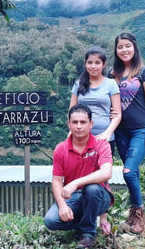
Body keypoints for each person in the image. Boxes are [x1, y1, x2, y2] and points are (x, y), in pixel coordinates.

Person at [44, 104, 114, 248]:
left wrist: (76, 182)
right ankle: (84, 221)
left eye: (83, 122)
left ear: (91, 124)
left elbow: (107, 172)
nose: (79, 126)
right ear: (68, 124)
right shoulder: (61, 149)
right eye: (75, 122)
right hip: (74, 197)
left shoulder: (101, 145)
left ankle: (88, 234)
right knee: (51, 221)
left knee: (92, 189)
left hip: (100, 196)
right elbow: (57, 181)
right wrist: (62, 206)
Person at [108, 32, 145, 234]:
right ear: (116, 50)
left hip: (140, 129)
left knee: (128, 171)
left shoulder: (144, 72)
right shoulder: (112, 74)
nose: (124, 50)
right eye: (120, 47)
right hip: (120, 131)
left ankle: (139, 214)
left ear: (134, 47)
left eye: (128, 46)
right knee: (132, 172)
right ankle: (132, 215)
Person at [69, 46, 121, 235]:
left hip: (105, 139)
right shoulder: (78, 84)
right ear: (85, 63)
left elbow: (117, 114)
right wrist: (71, 133)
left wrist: (108, 133)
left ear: (104, 64)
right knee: (81, 175)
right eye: (90, 62)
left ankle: (103, 217)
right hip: (81, 138)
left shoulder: (110, 84)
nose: (93, 66)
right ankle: (81, 215)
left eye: (97, 62)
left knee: (102, 177)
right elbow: (72, 110)